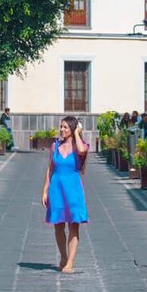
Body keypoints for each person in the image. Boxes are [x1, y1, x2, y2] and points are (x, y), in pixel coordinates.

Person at [43, 115, 90, 273]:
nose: (62, 130)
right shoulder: (55, 145)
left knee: (74, 225)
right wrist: (45, 190)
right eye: (61, 127)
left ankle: (70, 261)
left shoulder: (79, 146)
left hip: (73, 189)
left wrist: (77, 133)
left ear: (72, 129)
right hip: (57, 188)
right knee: (58, 225)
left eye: (65, 127)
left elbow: (83, 151)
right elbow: (50, 168)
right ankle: (63, 255)